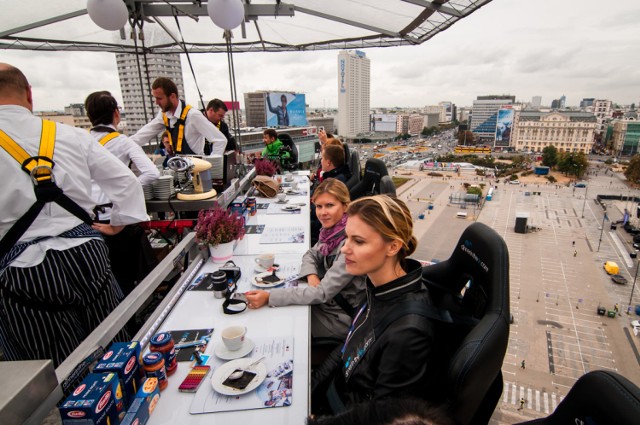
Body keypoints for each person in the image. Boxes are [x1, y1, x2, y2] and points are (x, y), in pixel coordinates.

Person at [0, 63, 148, 366]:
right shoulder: (69, 134)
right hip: (87, 253)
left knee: (62, 370)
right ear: (29, 94)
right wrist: (116, 226)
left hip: (22, 270)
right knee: (115, 351)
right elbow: (127, 183)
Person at [313, 195, 436, 409]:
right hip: (339, 393)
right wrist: (311, 390)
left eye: (358, 241)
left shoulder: (407, 332)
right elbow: (349, 347)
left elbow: (382, 414)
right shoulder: (377, 288)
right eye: (346, 238)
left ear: (392, 247)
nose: (344, 249)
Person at [245, 179, 365, 340]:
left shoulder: (349, 243)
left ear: (345, 206)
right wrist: (312, 275)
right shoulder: (331, 232)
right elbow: (310, 254)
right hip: (328, 304)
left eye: (330, 205)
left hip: (340, 317)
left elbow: (322, 293)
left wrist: (269, 297)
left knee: (281, 323)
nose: (323, 213)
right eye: (319, 206)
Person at [85, 90, 159, 295]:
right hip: (116, 221)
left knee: (103, 280)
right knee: (129, 278)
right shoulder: (123, 142)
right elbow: (152, 173)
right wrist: (128, 189)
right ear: (116, 113)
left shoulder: (81, 141)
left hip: (88, 220)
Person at [130, 77, 226, 156]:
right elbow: (143, 135)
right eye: (155, 98)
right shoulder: (164, 115)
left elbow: (220, 140)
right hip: (179, 167)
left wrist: (213, 168)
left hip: (197, 170)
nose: (156, 103)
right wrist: (122, 146)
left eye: (159, 98)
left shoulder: (192, 115)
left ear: (172, 96)